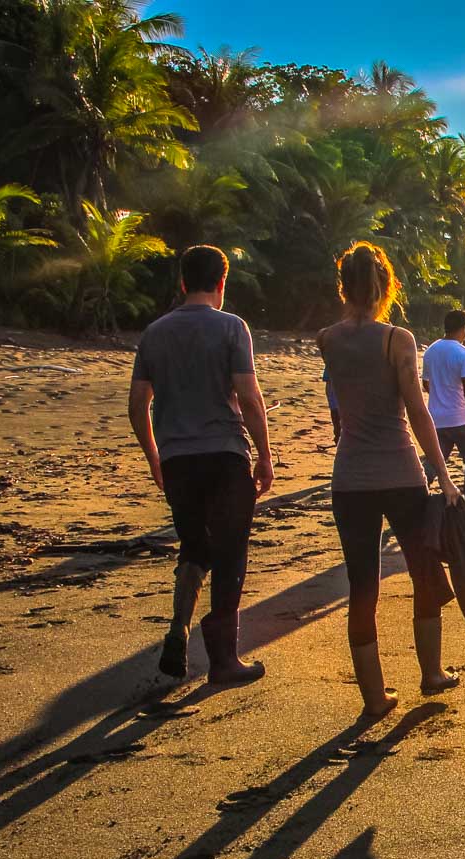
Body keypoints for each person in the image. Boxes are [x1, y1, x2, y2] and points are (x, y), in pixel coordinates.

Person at [319, 241, 464, 721]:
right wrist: (444, 475)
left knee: (362, 586)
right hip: (401, 473)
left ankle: (374, 698)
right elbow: (417, 412)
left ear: (344, 286)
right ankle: (432, 672)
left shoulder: (327, 339)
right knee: (424, 573)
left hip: (349, 478)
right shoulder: (397, 339)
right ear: (387, 287)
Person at [129, 244, 271, 685]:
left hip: (177, 458)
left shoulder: (155, 332)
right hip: (225, 455)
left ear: (183, 282)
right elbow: (248, 397)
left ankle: (180, 625)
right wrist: (265, 454)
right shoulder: (232, 327)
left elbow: (137, 404)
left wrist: (154, 456)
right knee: (230, 554)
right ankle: (223, 659)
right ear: (222, 282)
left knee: (194, 546)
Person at [420, 310, 465, 522]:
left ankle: (418, 498)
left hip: (437, 417)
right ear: (464, 329)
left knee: (435, 460)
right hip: (461, 418)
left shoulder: (431, 351)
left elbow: (426, 383)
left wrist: (441, 395)